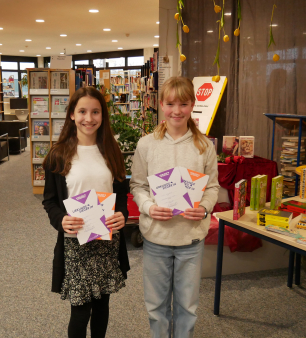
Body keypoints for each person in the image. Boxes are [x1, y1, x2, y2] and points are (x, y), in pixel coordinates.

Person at [130, 76, 219, 338]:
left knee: (187, 307)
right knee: (156, 306)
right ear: (160, 105)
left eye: (183, 103)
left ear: (192, 105)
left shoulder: (204, 146)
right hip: (157, 237)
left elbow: (212, 187)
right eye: (170, 104)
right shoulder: (146, 144)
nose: (177, 111)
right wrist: (147, 207)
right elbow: (137, 186)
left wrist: (203, 208)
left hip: (190, 239)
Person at [42, 86, 130, 338]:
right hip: (76, 243)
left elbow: (121, 193)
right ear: (71, 114)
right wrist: (61, 221)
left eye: (95, 112)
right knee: (80, 312)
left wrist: (122, 214)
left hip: (107, 240)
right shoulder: (58, 155)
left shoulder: (112, 151)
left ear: (103, 116)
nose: (88, 118)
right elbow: (49, 202)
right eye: (82, 111)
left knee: (102, 305)